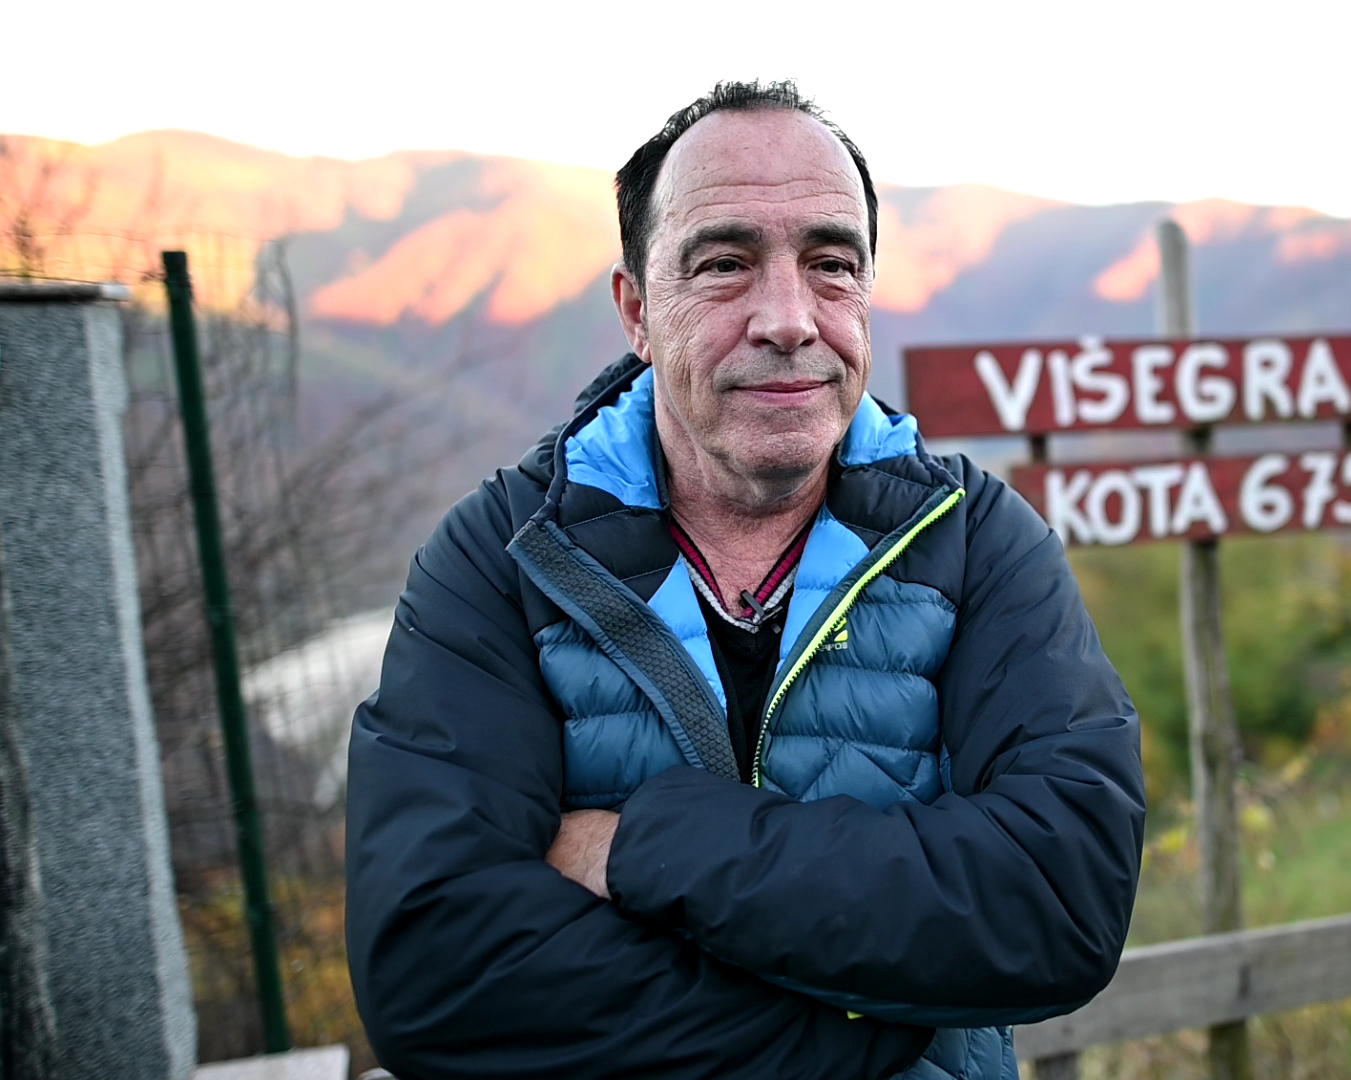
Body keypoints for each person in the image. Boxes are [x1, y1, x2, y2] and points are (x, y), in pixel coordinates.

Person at [345, 80, 1145, 1080]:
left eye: (831, 265)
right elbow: (434, 975)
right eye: (725, 264)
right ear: (637, 310)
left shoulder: (978, 543)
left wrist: (645, 847)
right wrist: (847, 1036)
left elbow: (1058, 909)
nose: (789, 319)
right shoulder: (505, 560)